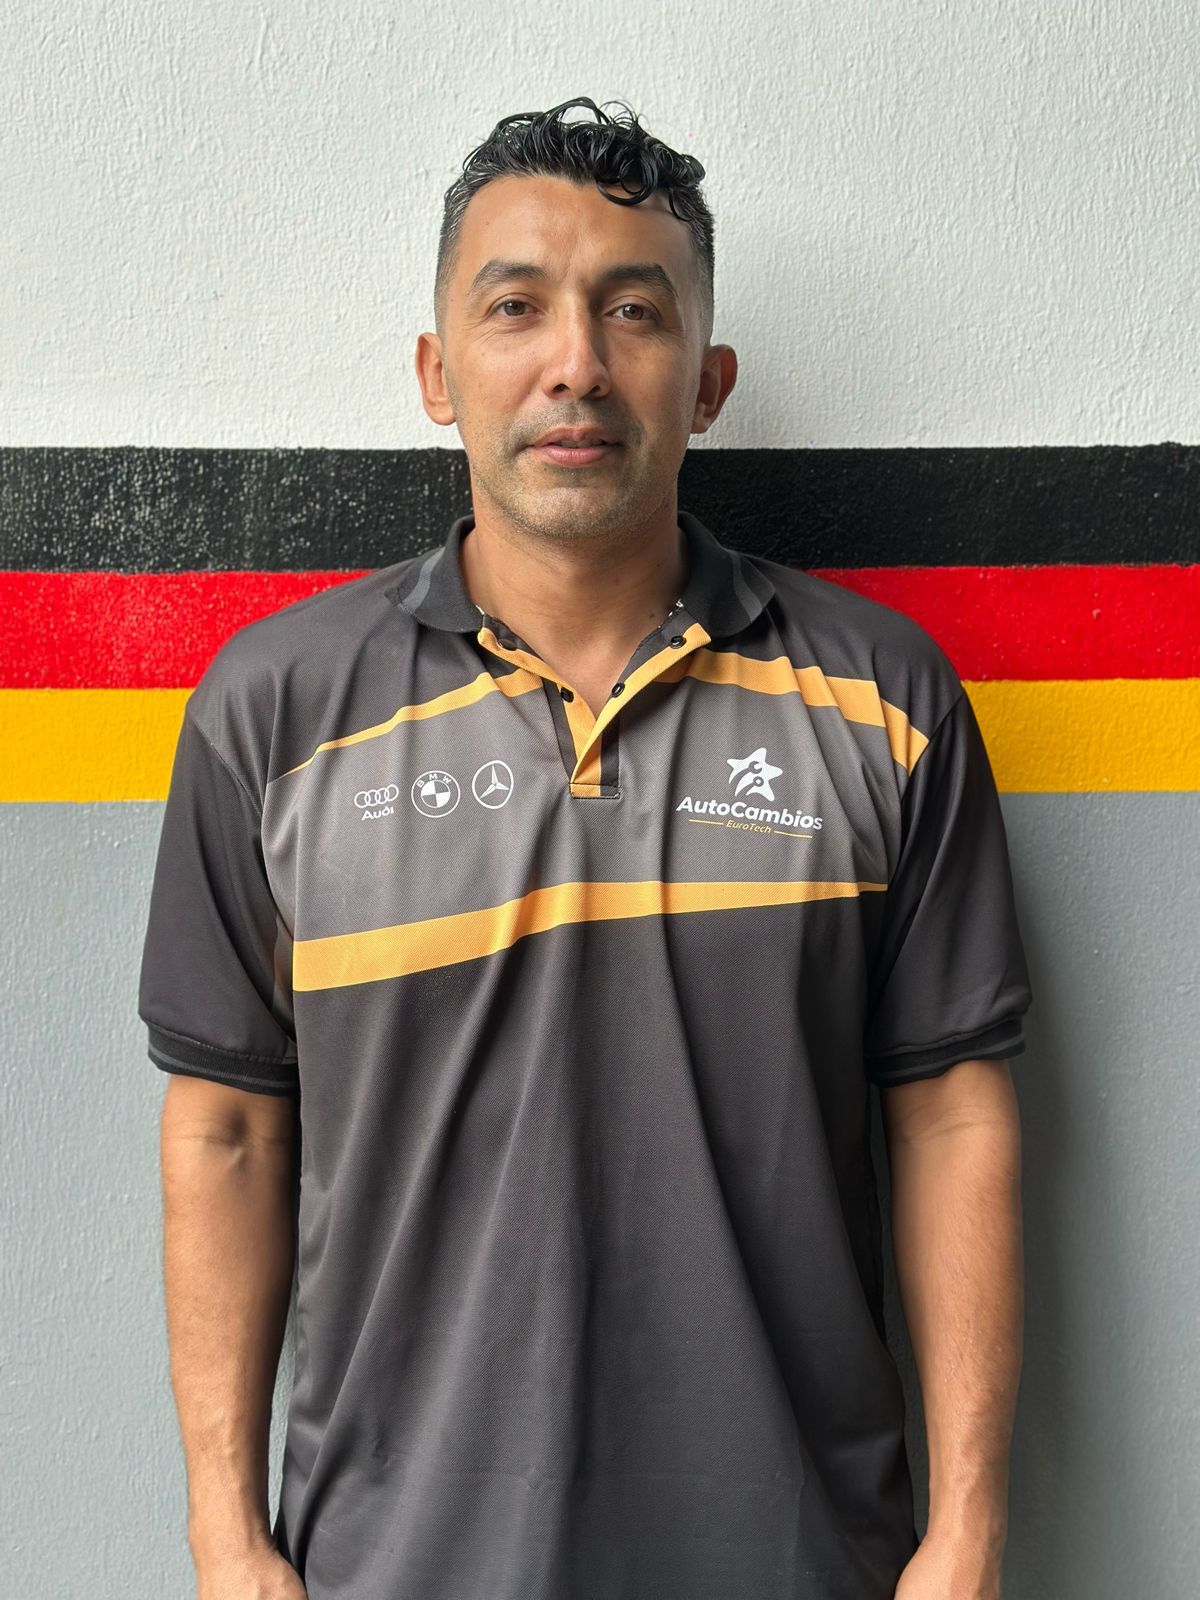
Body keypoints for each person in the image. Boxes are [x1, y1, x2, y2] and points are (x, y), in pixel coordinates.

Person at [140, 96, 1032, 1600]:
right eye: (516, 308)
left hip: (804, 1557)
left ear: (707, 383)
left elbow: (953, 1117)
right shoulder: (273, 711)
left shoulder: (882, 698)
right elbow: (225, 1129)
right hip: (393, 1562)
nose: (576, 364)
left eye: (635, 312)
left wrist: (969, 1535)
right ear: (437, 372)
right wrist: (227, 1542)